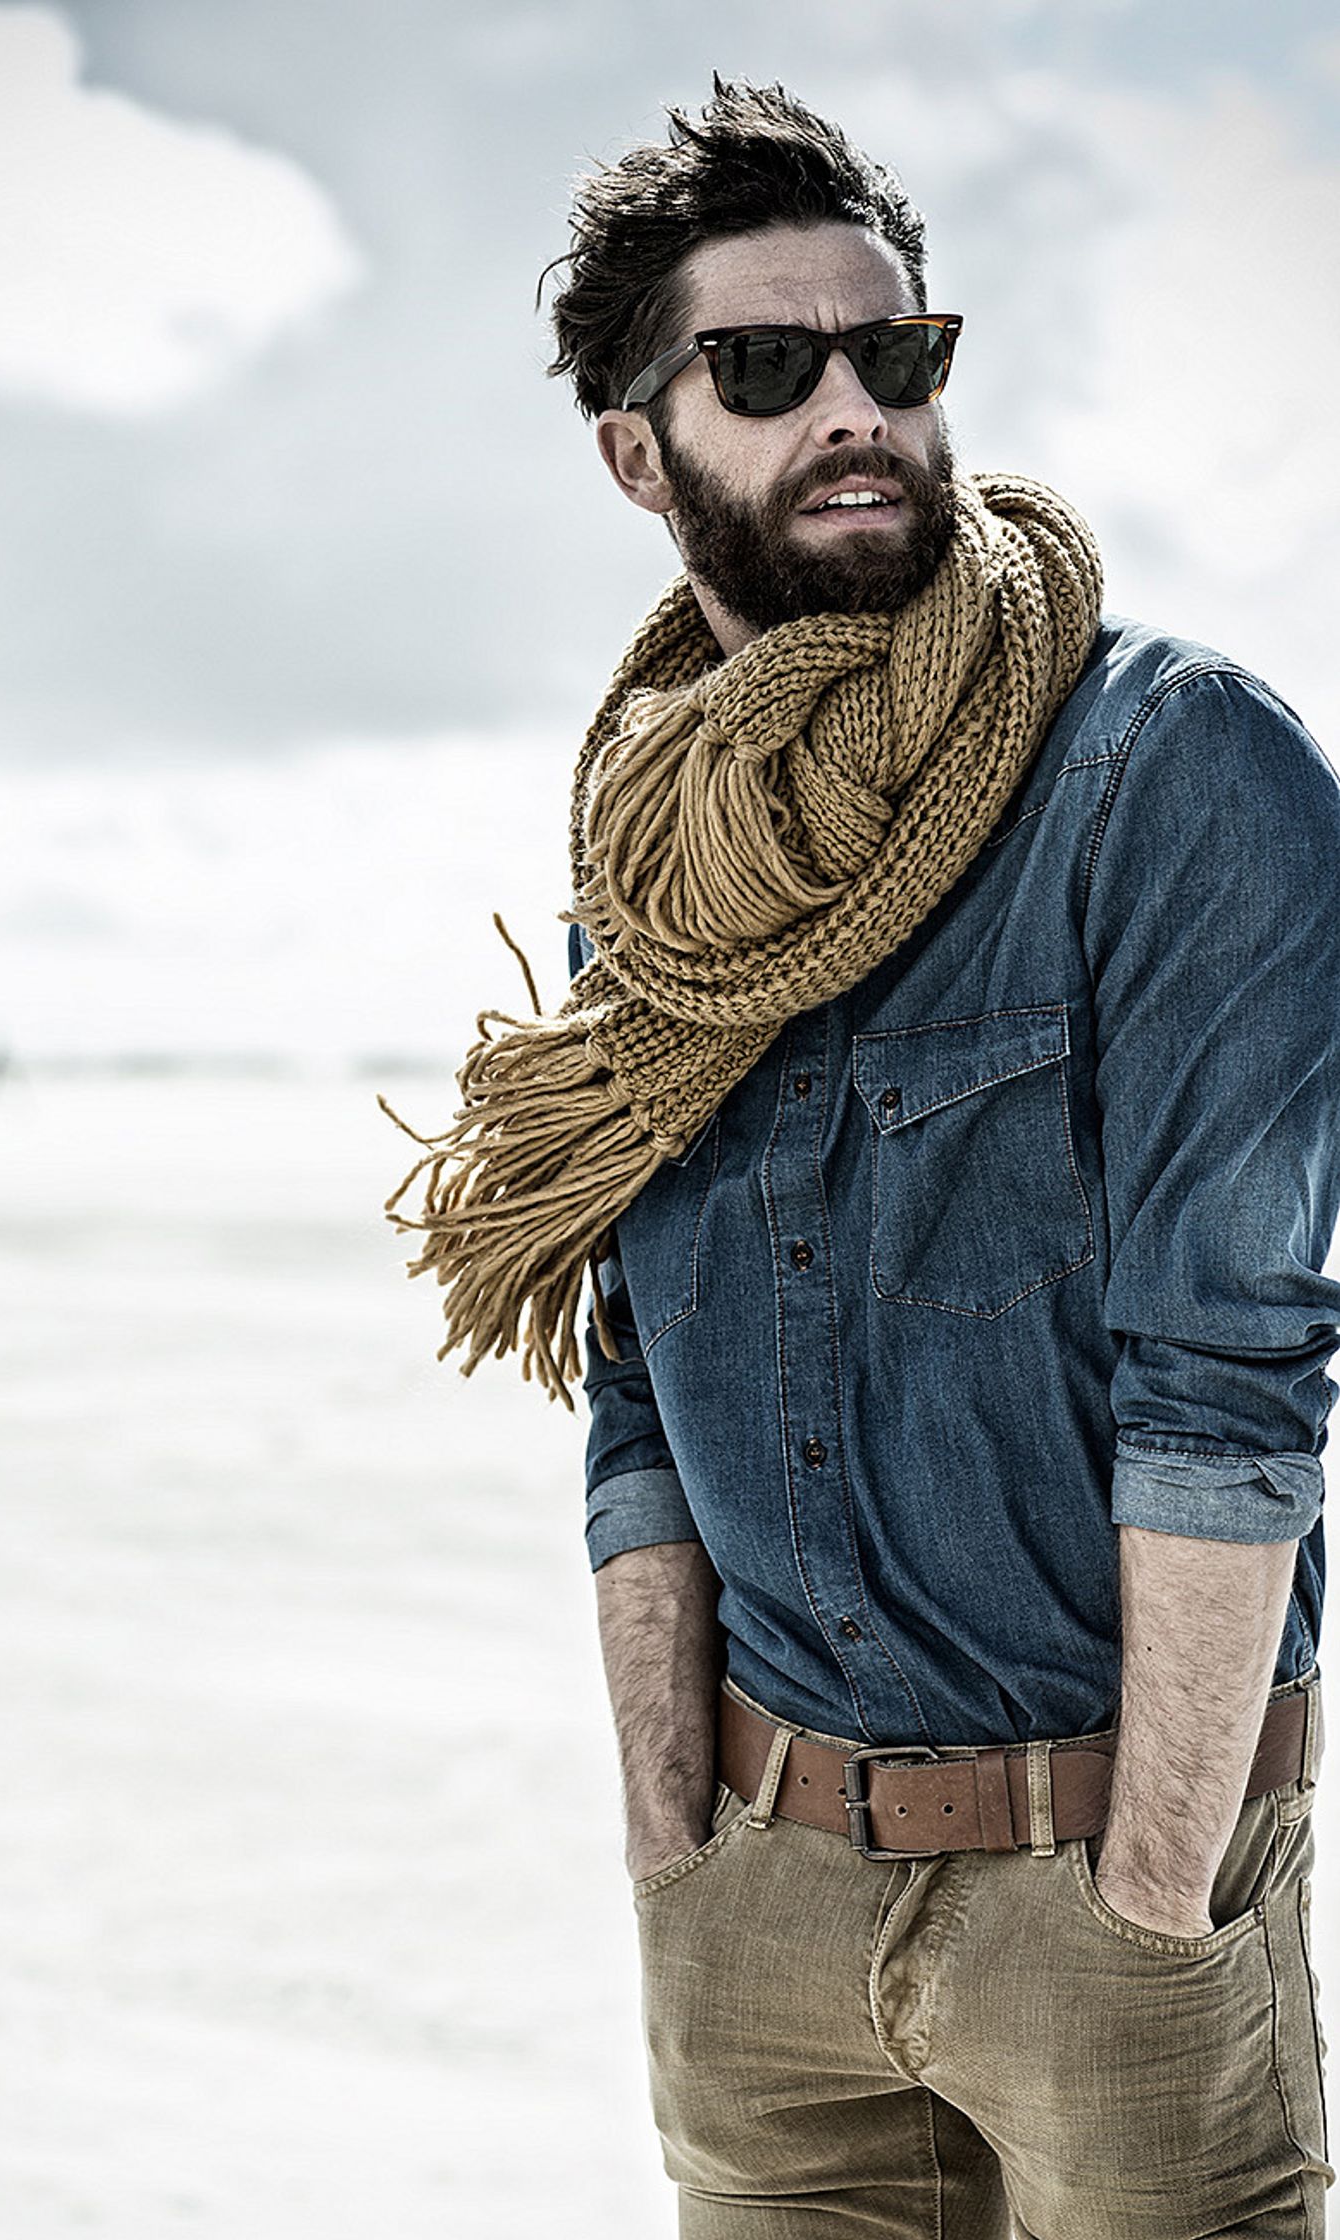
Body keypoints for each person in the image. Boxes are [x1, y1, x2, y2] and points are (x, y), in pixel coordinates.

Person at [380, 73, 1338, 2239]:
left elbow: (1234, 1382)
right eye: (765, 365)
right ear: (641, 452)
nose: (854, 411)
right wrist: (672, 1849)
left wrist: (1155, 1900)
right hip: (763, 1915)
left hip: (1107, 1907)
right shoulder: (665, 855)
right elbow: (636, 1380)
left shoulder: (1172, 772)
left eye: (895, 357)